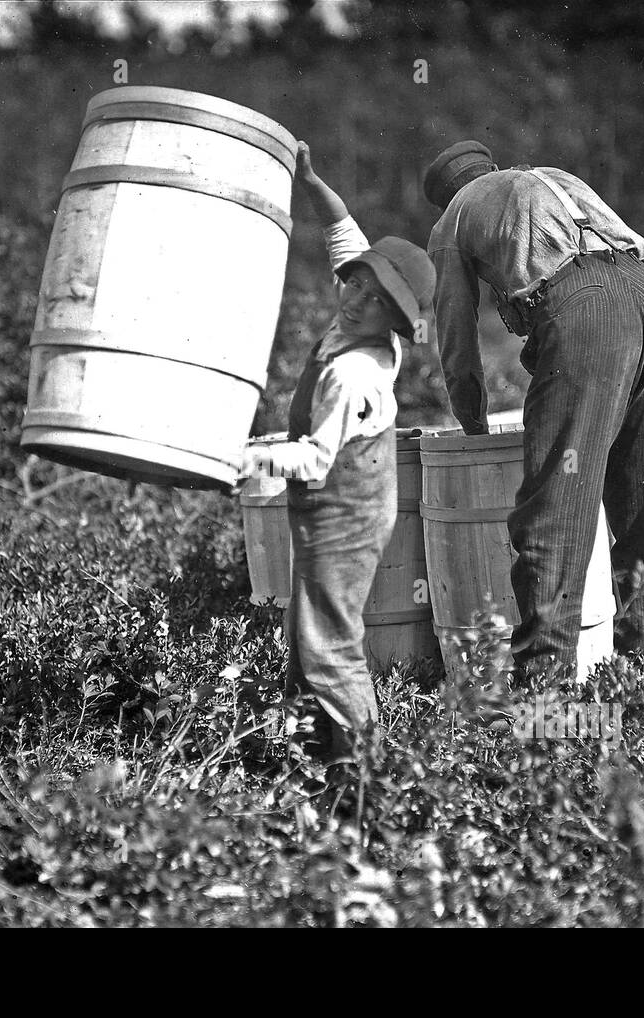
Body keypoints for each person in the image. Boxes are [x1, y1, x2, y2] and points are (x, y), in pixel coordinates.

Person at [422, 141, 644, 675]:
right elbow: (635, 258)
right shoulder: (555, 178)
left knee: (554, 511)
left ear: (445, 194)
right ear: (489, 166)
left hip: (588, 310)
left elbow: (456, 333)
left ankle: (546, 698)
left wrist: (473, 422)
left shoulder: (456, 217)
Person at [239, 142, 436, 760]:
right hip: (338, 503)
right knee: (310, 633)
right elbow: (344, 234)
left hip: (345, 512)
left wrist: (247, 460)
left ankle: (371, 778)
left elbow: (315, 460)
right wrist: (312, 181)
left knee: (329, 645)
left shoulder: (354, 373)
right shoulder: (355, 312)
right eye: (356, 284)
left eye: (374, 298)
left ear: (393, 321)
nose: (353, 297)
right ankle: (313, 763)